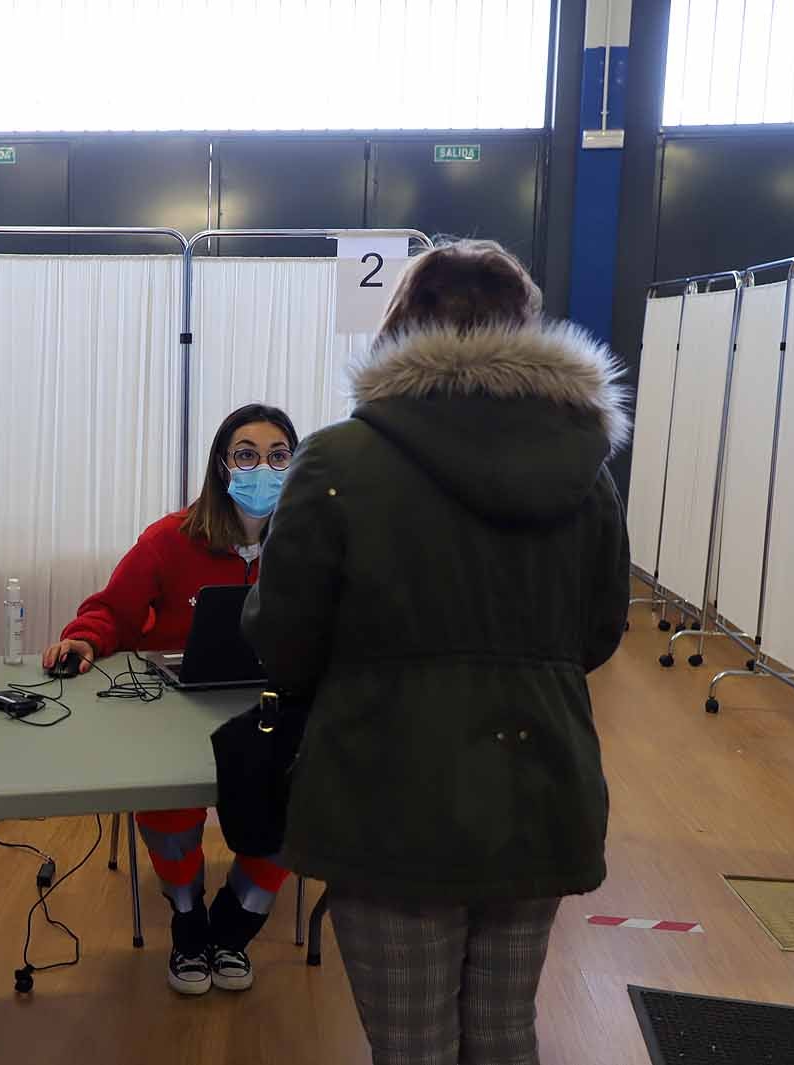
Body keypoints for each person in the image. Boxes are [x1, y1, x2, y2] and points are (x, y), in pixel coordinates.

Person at [243, 240, 631, 1065]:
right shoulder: (586, 472)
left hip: (387, 791)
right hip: (542, 784)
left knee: (412, 1045)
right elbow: (597, 634)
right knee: (502, 1033)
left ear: (400, 329)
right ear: (526, 331)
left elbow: (283, 638)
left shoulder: (338, 459)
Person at [43, 403, 298, 996]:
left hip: (272, 708)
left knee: (301, 791)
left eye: (279, 456)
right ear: (221, 464)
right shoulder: (170, 538)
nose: (263, 467)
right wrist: (84, 638)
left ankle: (234, 925)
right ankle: (187, 917)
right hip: (176, 710)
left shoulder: (311, 541)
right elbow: (112, 610)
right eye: (247, 454)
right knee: (167, 800)